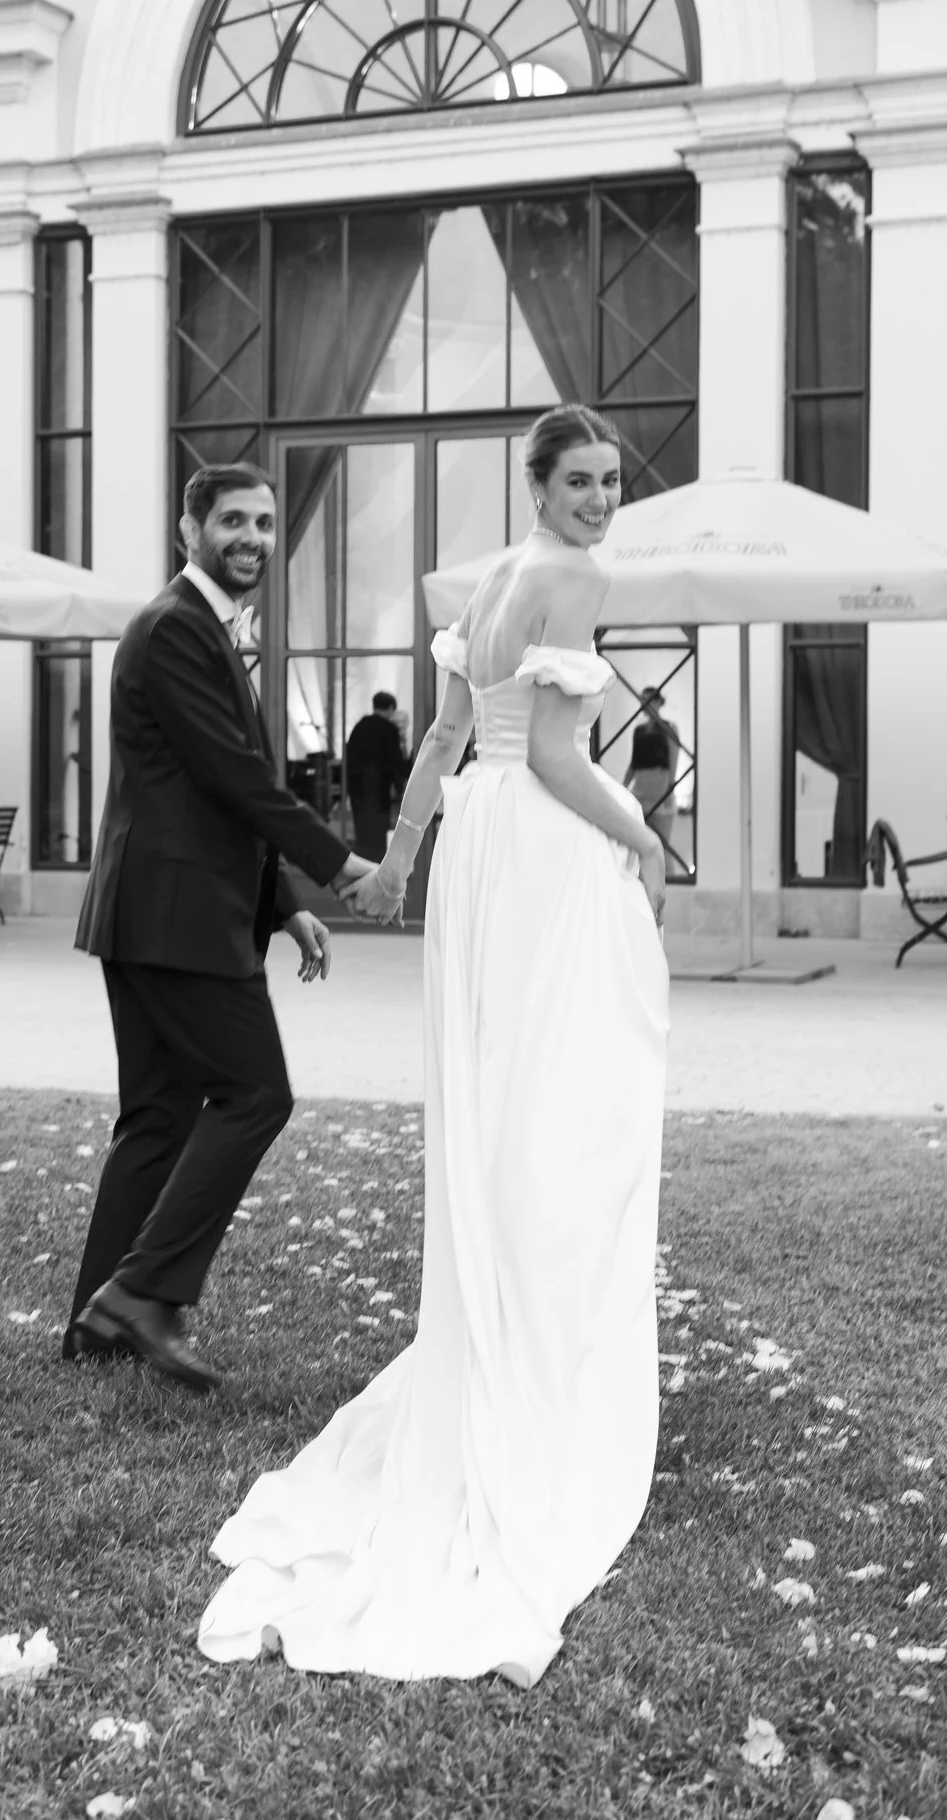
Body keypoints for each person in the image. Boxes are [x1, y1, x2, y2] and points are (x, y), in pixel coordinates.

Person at [197, 404, 670, 1688]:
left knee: (506, 1094)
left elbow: (450, 745)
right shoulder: (575, 577)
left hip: (478, 854)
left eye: (612, 481)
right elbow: (565, 756)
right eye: (578, 479)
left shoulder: (490, 579)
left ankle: (506, 1332)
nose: (598, 500)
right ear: (536, 483)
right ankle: (544, 1364)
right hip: (546, 850)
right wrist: (642, 835)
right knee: (570, 1096)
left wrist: (405, 856)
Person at [66, 463, 376, 1392]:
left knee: (159, 1116)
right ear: (187, 529)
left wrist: (282, 906)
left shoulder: (200, 628)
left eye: (268, 523)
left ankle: (97, 1328)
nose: (253, 537)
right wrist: (339, 865)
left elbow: (211, 787)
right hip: (175, 918)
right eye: (234, 520)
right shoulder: (173, 630)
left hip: (159, 913)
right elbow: (238, 777)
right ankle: (142, 1295)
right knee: (254, 1095)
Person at [344, 690, 410, 859]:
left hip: (357, 788)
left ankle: (360, 864)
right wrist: (400, 785)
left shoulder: (359, 727)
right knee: (378, 833)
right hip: (377, 788)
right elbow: (395, 761)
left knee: (363, 833)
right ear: (389, 708)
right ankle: (375, 868)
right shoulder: (388, 729)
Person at [624, 687, 679, 851]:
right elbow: (633, 763)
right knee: (641, 847)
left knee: (662, 847)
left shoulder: (669, 728)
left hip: (660, 792)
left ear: (656, 702)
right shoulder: (638, 731)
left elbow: (673, 760)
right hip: (640, 792)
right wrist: (623, 788)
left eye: (646, 700)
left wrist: (670, 789)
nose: (643, 704)